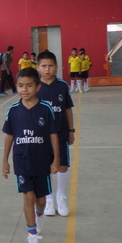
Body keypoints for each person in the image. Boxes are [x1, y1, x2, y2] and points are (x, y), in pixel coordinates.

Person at [1, 67, 60, 243]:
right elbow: (9, 136)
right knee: (28, 196)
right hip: (22, 162)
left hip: (42, 162)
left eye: (29, 86)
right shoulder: (13, 110)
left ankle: (39, 215)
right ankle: (32, 236)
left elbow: (53, 135)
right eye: (20, 86)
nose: (24, 89)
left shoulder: (45, 109)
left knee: (40, 200)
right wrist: (5, 161)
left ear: (37, 87)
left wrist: (56, 159)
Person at [36, 51, 75, 217]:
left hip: (61, 133)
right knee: (45, 166)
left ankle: (61, 197)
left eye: (50, 66)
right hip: (41, 136)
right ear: (38, 68)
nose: (47, 69)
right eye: (44, 66)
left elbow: (68, 109)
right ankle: (49, 198)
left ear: (57, 67)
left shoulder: (62, 86)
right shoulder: (35, 87)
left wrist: (71, 130)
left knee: (62, 165)